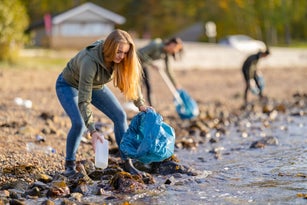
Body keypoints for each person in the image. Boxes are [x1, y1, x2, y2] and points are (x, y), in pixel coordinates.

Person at [55, 29, 152, 176]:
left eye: (125, 53)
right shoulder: (90, 61)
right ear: (110, 48)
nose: (122, 56)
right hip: (68, 85)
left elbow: (130, 82)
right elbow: (84, 100)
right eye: (119, 52)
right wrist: (92, 130)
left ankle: (127, 162)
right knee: (79, 123)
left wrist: (141, 105)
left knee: (120, 116)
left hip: (96, 85)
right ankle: (70, 165)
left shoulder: (121, 59)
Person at [137, 37, 183, 106]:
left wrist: (175, 84)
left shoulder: (166, 54)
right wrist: (152, 64)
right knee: (138, 85)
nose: (175, 51)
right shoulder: (156, 45)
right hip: (135, 63)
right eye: (176, 49)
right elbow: (140, 53)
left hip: (144, 65)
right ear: (172, 44)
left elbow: (168, 70)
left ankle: (151, 106)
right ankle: (135, 104)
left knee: (148, 85)